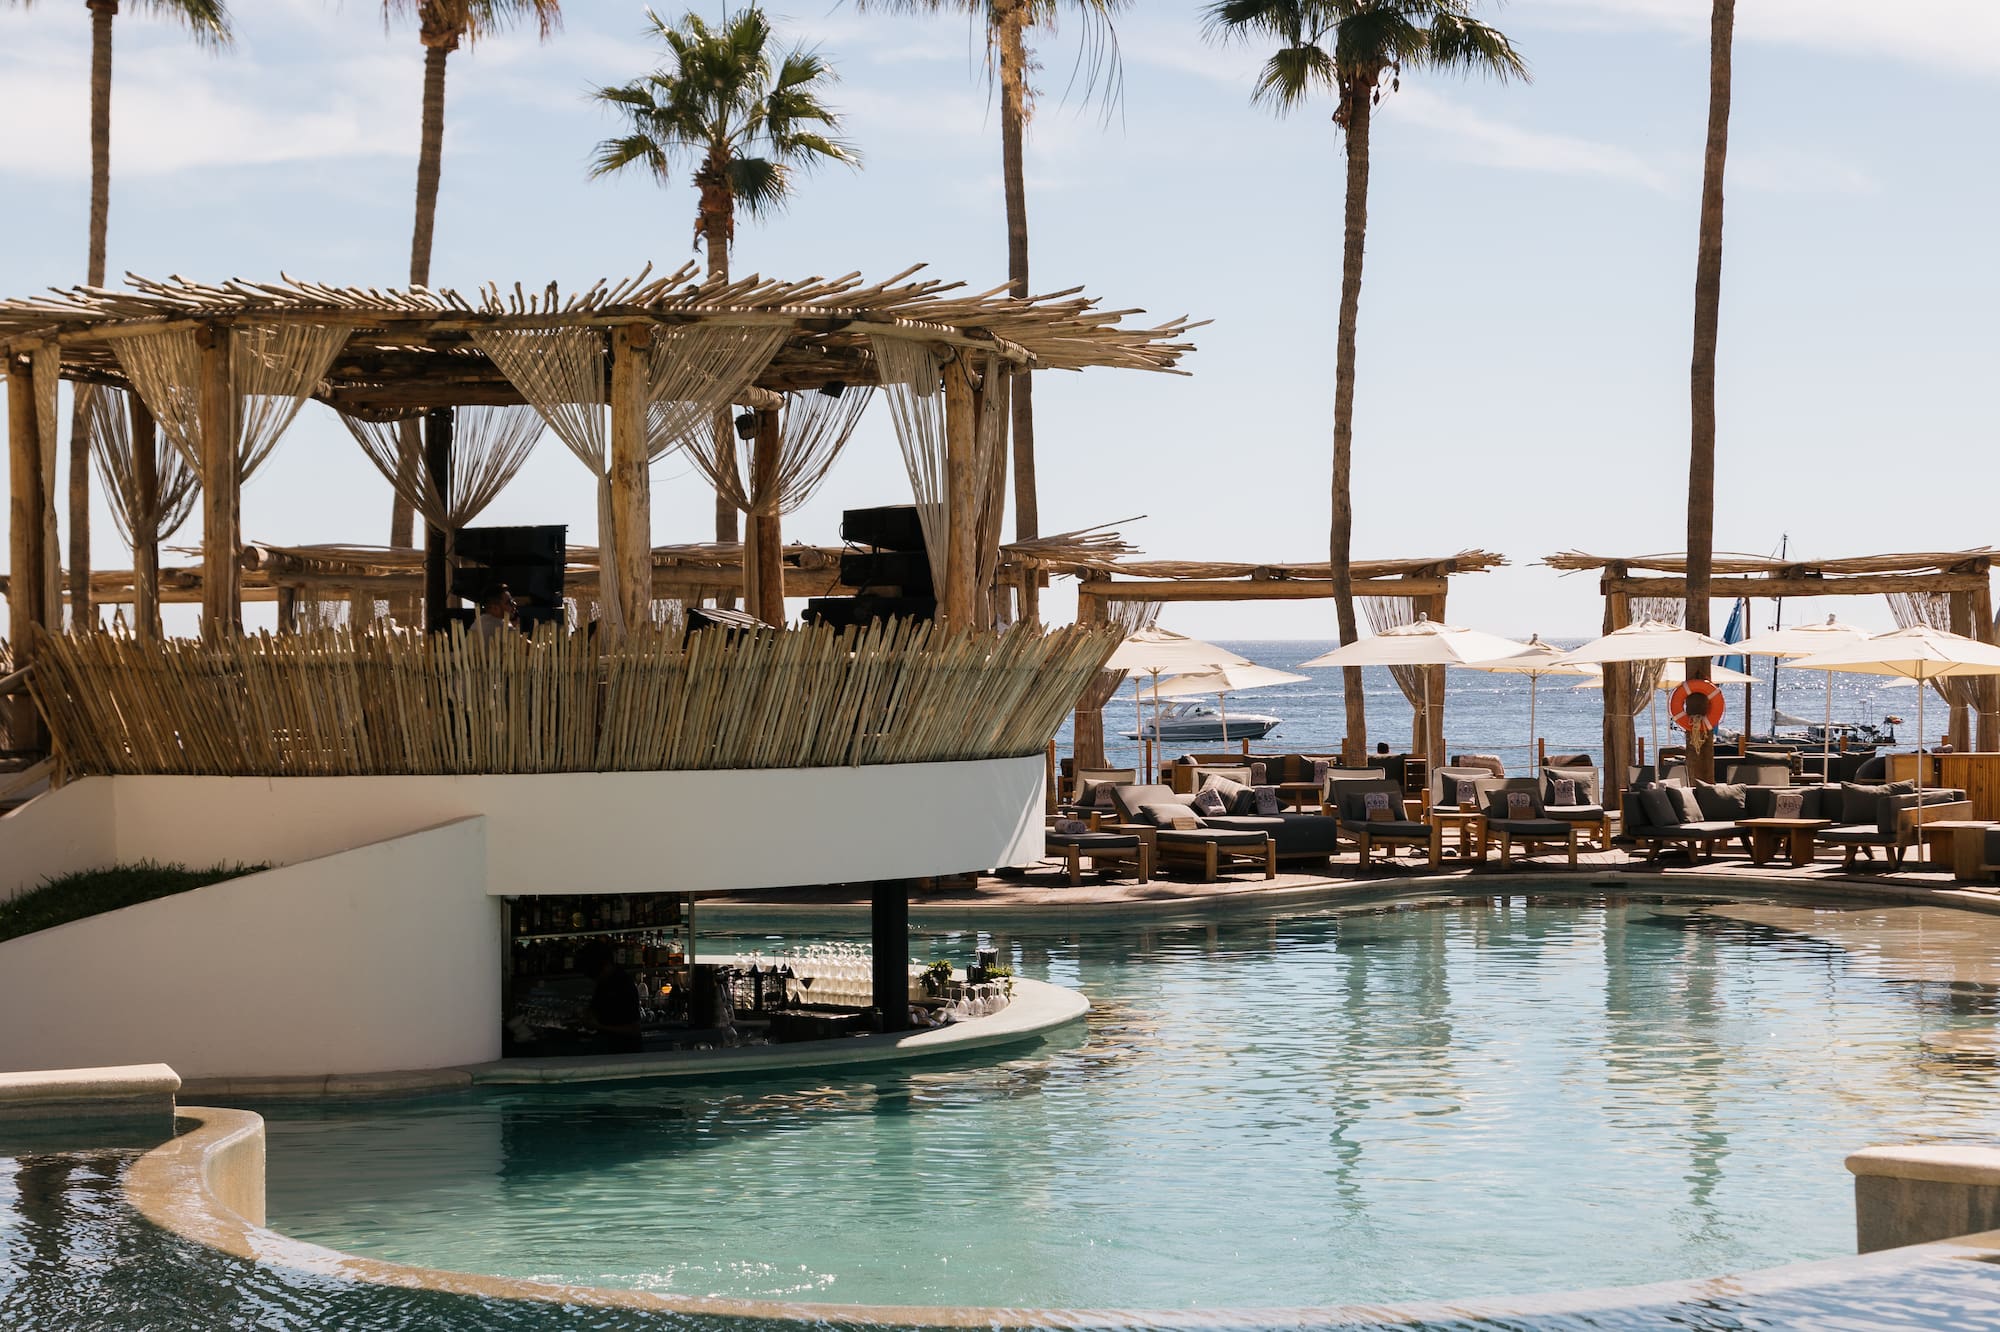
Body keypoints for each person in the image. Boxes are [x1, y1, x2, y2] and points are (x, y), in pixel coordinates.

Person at [578, 941, 643, 1055]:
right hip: (608, 1049)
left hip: (625, 1053)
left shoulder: (623, 984)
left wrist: (599, 1026)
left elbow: (634, 1029)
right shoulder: (603, 983)